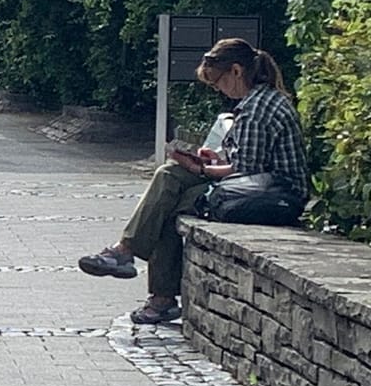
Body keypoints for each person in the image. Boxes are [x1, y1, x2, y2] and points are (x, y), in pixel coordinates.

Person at [77, 38, 308, 324]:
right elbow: (245, 161)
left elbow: (246, 170)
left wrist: (201, 170)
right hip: (262, 189)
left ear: (236, 71)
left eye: (217, 82)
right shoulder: (261, 100)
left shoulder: (256, 110)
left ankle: (134, 264)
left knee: (170, 191)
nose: (218, 90)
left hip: (273, 196)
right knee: (169, 186)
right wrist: (211, 160)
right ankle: (143, 278)